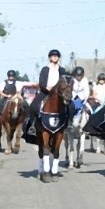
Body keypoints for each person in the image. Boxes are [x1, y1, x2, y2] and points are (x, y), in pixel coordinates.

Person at [30, 50, 68, 180]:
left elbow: (66, 82)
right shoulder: (45, 69)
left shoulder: (62, 70)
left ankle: (67, 125)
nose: (55, 57)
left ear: (59, 58)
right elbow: (42, 83)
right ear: (50, 58)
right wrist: (49, 88)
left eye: (56, 56)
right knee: (33, 105)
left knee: (71, 106)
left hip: (59, 94)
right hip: (46, 93)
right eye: (53, 56)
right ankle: (32, 126)